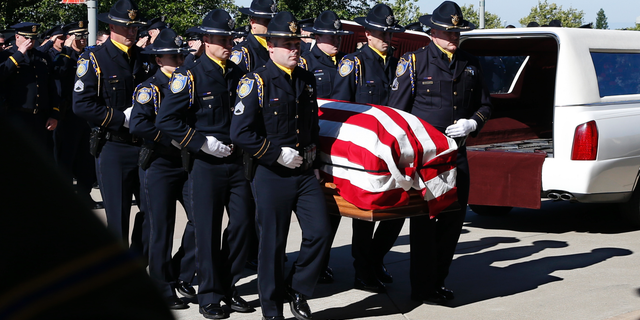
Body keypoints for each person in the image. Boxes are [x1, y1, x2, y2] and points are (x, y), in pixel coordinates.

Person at [388, 0, 492, 305]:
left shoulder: (470, 63)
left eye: (457, 33)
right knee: (425, 227)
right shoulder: (415, 62)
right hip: (427, 160)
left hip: (457, 156)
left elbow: (485, 105)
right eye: (448, 32)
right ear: (432, 31)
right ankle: (421, 288)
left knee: (452, 224)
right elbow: (397, 113)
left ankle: (438, 282)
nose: (453, 38)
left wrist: (472, 123)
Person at [231, 11, 332, 320]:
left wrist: (313, 161)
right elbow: (240, 132)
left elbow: (311, 124)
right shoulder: (256, 81)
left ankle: (298, 289)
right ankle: (272, 309)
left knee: (321, 232)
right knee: (272, 245)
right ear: (270, 46)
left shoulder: (305, 78)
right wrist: (275, 154)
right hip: (271, 173)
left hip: (303, 171)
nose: (294, 49)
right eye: (287, 44)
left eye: (296, 44)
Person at [156, 9, 255, 319]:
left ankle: (227, 285)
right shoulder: (190, 75)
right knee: (208, 231)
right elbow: (166, 119)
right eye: (221, 38)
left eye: (229, 38)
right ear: (206, 40)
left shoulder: (240, 74)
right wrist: (200, 142)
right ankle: (210, 295)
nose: (228, 43)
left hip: (238, 163)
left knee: (243, 225)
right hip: (206, 164)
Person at [331, 3, 405, 294]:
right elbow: (340, 107)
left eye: (389, 33)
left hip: (393, 150)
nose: (385, 38)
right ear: (367, 33)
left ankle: (376, 259)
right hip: (364, 152)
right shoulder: (355, 62)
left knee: (398, 211)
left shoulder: (399, 63)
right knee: (366, 215)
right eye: (379, 32)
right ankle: (363, 269)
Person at [72, 0, 150, 258]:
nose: (132, 32)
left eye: (134, 28)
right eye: (126, 27)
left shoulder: (141, 58)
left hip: (145, 146)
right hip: (114, 146)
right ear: (112, 26)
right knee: (118, 218)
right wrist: (120, 119)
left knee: (153, 212)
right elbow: (81, 105)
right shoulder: (94, 57)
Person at [129, 27, 197, 310]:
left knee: (200, 221)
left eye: (182, 57)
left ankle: (179, 273)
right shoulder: (149, 88)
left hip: (188, 164)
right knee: (161, 228)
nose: (179, 63)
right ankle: (161, 287)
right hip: (158, 164)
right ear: (159, 60)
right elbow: (139, 125)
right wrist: (174, 139)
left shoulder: (190, 84)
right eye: (173, 58)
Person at [297, 9, 352, 284]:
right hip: (315, 144)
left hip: (340, 146)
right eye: (331, 35)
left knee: (335, 209)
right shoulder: (305, 64)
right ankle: (311, 264)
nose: (336, 40)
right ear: (317, 36)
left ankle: (323, 262)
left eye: (338, 36)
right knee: (317, 212)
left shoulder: (346, 62)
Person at [52, 20, 100, 210]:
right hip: (69, 115)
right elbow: (58, 75)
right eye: (78, 36)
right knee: (66, 156)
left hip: (86, 114)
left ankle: (84, 193)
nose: (82, 40)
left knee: (86, 157)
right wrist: (65, 50)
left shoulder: (88, 56)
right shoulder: (63, 56)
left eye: (84, 36)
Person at [0, 22, 59, 152]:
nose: (30, 41)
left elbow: (52, 87)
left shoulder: (42, 58)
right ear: (17, 37)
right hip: (16, 117)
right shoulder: (6, 56)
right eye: (26, 38)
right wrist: (19, 54)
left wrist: (54, 114)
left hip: (40, 118)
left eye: (32, 38)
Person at [298, 10, 352, 99]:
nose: (337, 42)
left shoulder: (347, 60)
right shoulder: (306, 62)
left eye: (339, 37)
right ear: (318, 38)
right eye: (331, 37)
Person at [230, 0, 277, 72]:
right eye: (267, 21)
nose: (271, 25)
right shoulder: (243, 52)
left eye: (273, 21)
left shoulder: (279, 47)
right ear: (253, 23)